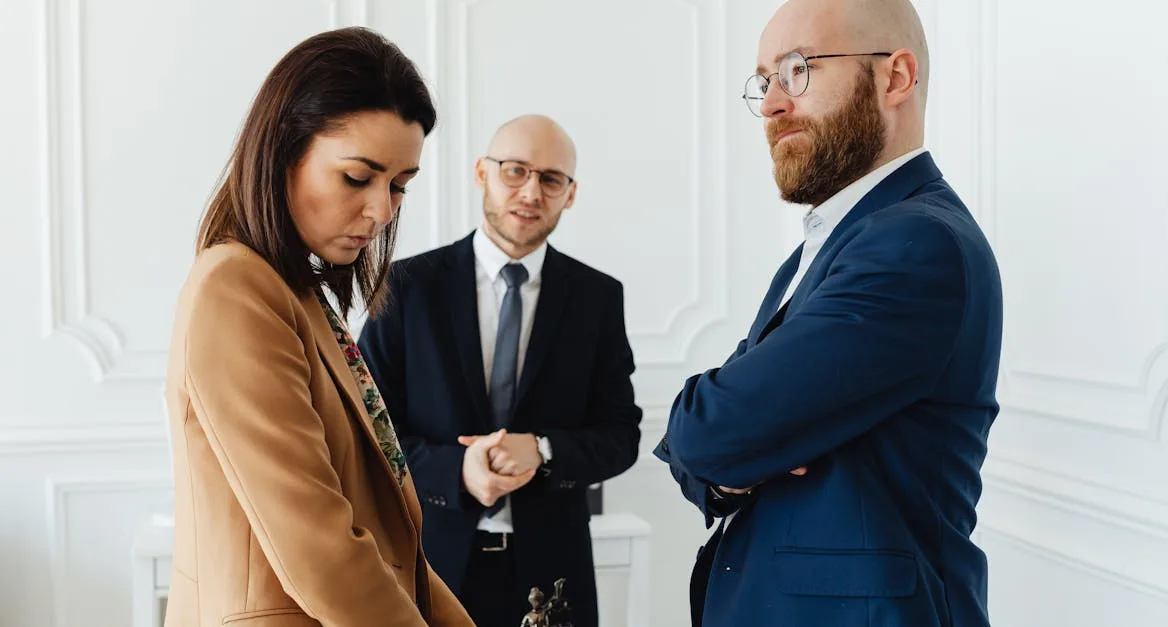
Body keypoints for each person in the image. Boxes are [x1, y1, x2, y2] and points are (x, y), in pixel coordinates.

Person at [654, 0, 1002, 625]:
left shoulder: (916, 244)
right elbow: (717, 448)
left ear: (894, 77)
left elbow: (706, 430)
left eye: (797, 69)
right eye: (765, 81)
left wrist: (728, 445)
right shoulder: (830, 244)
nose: (771, 104)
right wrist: (733, 458)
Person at [163, 27, 473, 627]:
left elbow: (388, 546)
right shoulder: (237, 288)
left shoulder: (297, 291)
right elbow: (321, 550)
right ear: (283, 151)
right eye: (358, 177)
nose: (382, 211)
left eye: (400, 186)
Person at [358, 114, 642, 627]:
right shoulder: (405, 286)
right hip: (429, 565)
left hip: (554, 577)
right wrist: (455, 470)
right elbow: (366, 432)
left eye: (551, 179)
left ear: (570, 194)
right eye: (515, 170)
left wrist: (544, 449)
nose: (531, 191)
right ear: (482, 173)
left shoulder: (597, 298)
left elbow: (621, 435)